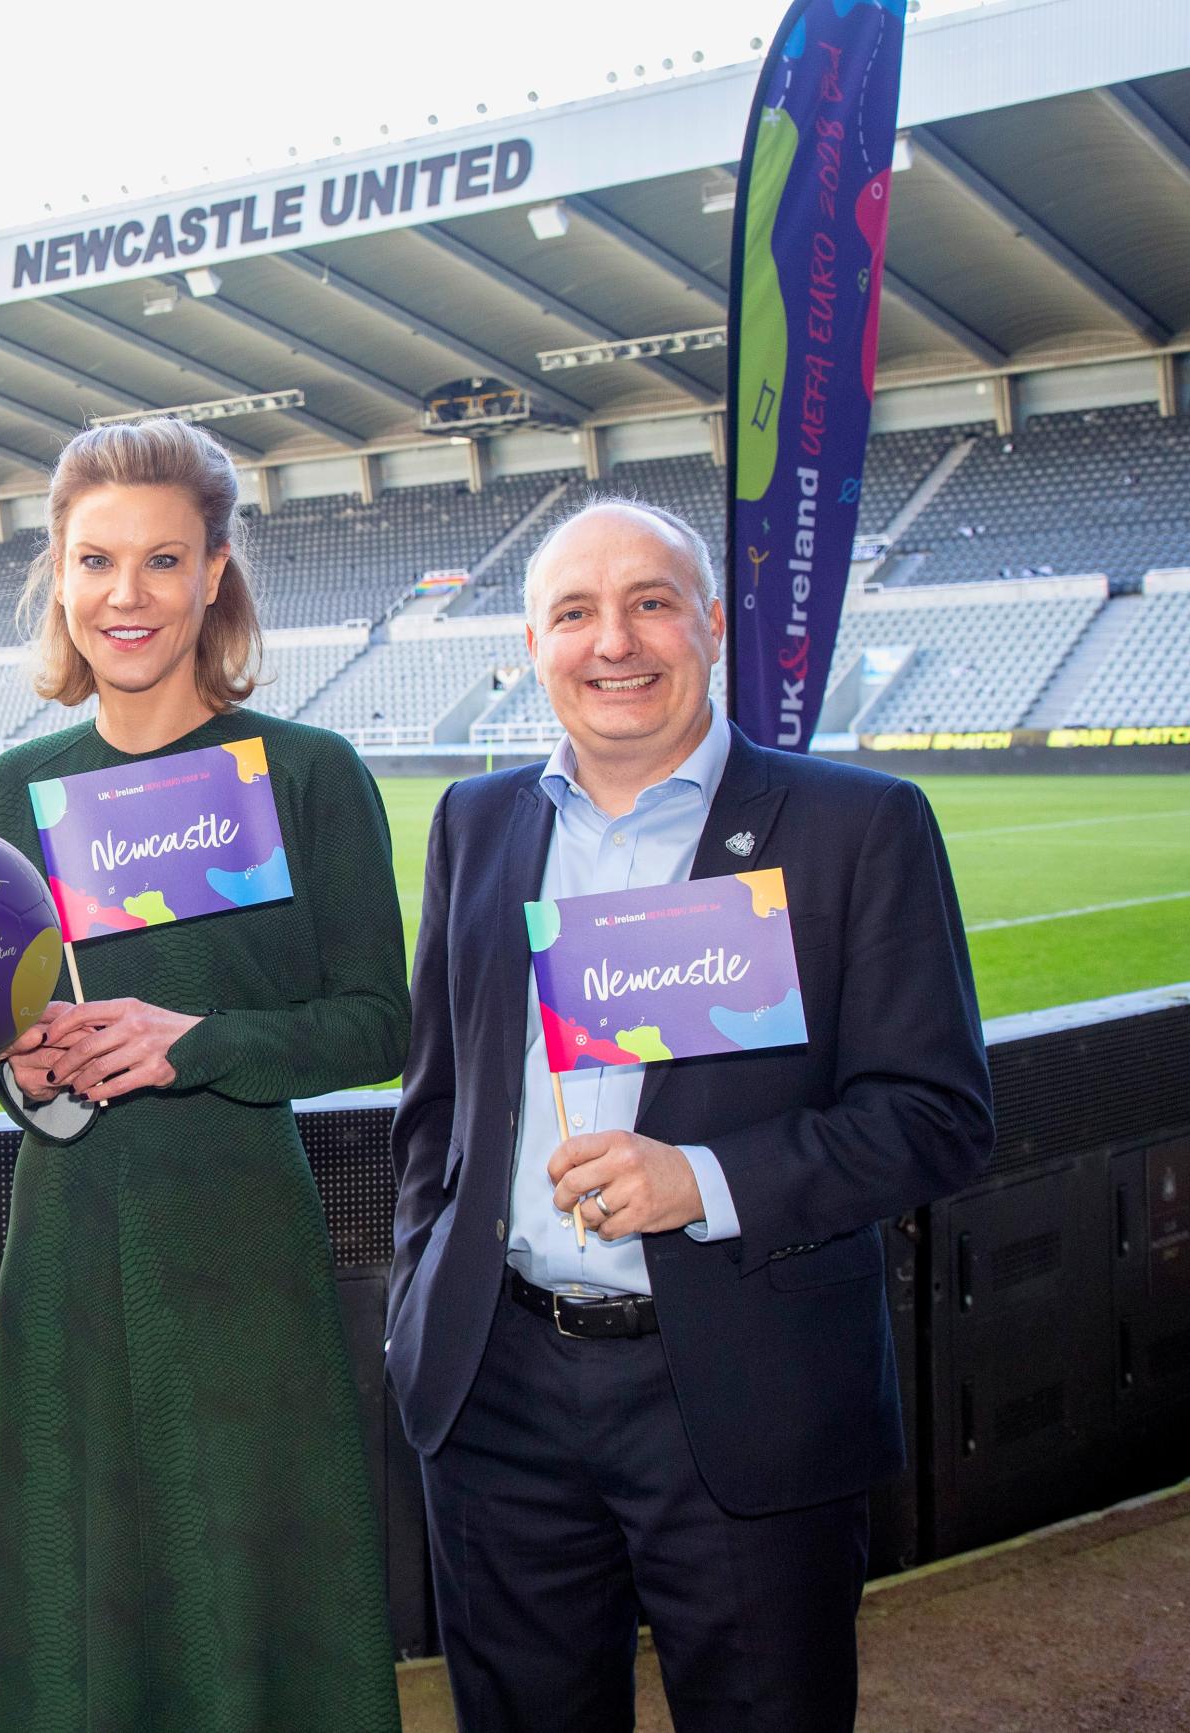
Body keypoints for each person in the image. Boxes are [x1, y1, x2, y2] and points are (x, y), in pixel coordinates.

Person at [386, 498, 994, 1732]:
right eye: (573, 612)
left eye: (649, 602)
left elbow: (936, 1113)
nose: (613, 640)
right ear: (531, 643)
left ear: (711, 627)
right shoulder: (477, 822)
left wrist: (701, 1180)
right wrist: (421, 1290)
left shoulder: (853, 827)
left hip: (738, 1387)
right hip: (495, 1386)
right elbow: (437, 1099)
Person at [0, 418, 409, 1732]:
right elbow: (17, 1061)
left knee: (245, 1581)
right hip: (65, 1253)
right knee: (80, 1586)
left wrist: (198, 1042)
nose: (127, 595)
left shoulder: (310, 772)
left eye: (162, 560)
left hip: (238, 1248)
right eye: (96, 560)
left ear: (216, 570)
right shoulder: (22, 783)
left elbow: (382, 1024)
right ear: (58, 574)